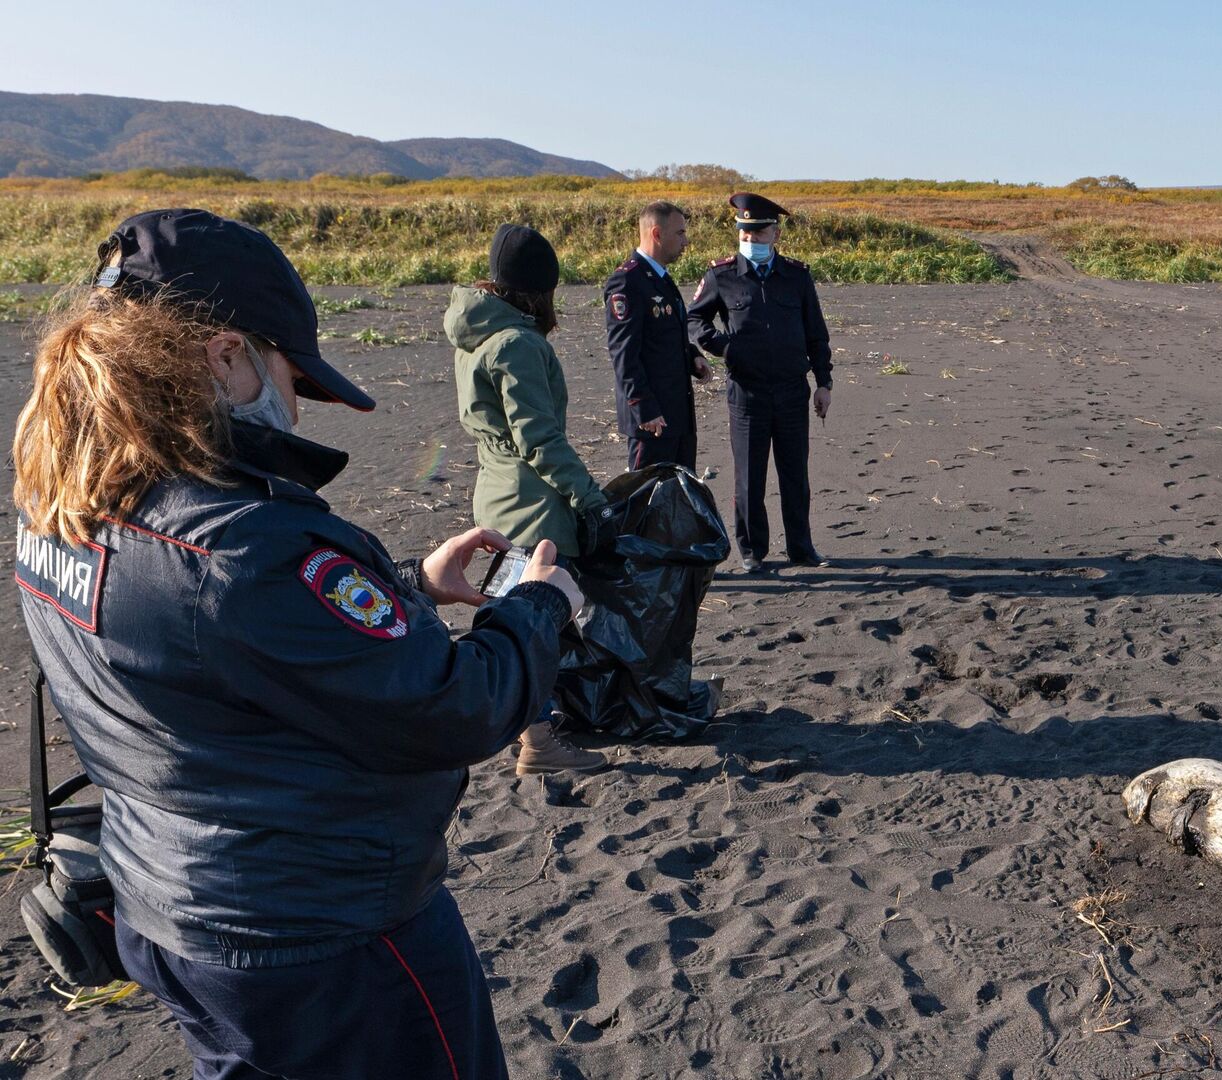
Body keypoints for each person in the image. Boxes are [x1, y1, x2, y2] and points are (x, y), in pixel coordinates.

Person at [13, 208, 584, 1079]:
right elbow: (457, 707)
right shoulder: (245, 547)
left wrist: (403, 587)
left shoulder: (64, 506)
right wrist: (538, 609)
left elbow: (208, 649)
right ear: (227, 357)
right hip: (318, 937)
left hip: (169, 909)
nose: (294, 396)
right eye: (288, 369)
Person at [447, 223, 613, 773]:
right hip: (533, 503)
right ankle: (538, 742)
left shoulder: (474, 336)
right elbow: (538, 439)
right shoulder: (517, 342)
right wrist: (590, 498)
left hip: (494, 495)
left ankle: (532, 724)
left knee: (512, 613)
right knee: (537, 619)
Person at [686, 193, 833, 572]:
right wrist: (722, 347)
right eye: (745, 233)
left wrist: (824, 382)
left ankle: (801, 548)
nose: (751, 240)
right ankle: (753, 551)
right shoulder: (721, 275)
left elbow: (816, 333)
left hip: (790, 390)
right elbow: (694, 319)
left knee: (795, 475)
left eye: (758, 233)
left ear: (775, 234)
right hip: (746, 393)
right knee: (749, 478)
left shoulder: (797, 276)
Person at [605, 200, 712, 470]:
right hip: (652, 422)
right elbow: (624, 355)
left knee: (678, 499)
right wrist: (644, 408)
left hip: (676, 415)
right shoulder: (628, 281)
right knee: (648, 502)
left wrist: (693, 358)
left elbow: (666, 337)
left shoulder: (660, 277)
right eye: (680, 233)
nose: (685, 241)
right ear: (656, 234)